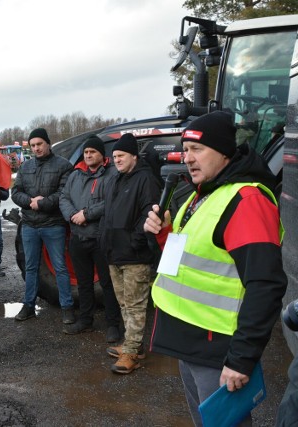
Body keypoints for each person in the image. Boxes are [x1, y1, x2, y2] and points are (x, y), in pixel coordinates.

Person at [144, 111, 287, 425]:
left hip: (218, 348)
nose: (188, 158)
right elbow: (189, 262)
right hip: (191, 341)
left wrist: (242, 359)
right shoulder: (204, 194)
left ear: (224, 152)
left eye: (197, 149)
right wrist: (164, 233)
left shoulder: (246, 200)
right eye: (185, 150)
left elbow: (266, 285)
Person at [100, 133, 161, 374]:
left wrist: (135, 241)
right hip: (114, 253)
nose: (117, 160)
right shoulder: (116, 179)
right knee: (124, 303)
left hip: (134, 255)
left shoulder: (146, 179)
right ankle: (132, 345)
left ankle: (132, 353)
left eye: (121, 155)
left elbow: (150, 214)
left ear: (134, 156)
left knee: (135, 305)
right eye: (114, 156)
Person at [59, 136, 121, 342]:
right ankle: (86, 320)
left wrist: (87, 214)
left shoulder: (112, 175)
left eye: (92, 152)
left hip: (100, 238)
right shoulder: (76, 175)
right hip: (78, 236)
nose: (88, 155)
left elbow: (112, 200)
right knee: (84, 283)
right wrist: (72, 215)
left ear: (101, 154)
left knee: (107, 282)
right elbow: (64, 198)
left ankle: (113, 324)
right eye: (86, 152)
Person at [11, 128, 74, 324]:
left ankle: (67, 308)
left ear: (47, 143)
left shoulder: (63, 165)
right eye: (33, 145)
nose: (36, 148)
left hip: (53, 224)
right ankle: (28, 305)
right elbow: (15, 192)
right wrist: (30, 201)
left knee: (60, 268)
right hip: (29, 224)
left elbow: (65, 193)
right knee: (30, 268)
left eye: (39, 144)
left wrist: (43, 202)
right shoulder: (25, 166)